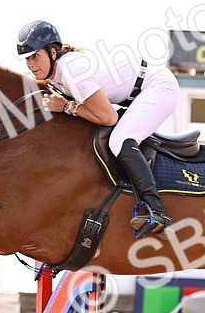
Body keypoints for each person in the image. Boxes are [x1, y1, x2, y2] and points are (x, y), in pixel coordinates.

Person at [17, 19, 181, 237]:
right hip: (136, 92)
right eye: (27, 59)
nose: (30, 64)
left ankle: (157, 211)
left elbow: (108, 117)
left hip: (158, 87)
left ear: (53, 52)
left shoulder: (72, 73)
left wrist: (67, 106)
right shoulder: (53, 74)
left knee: (120, 141)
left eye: (35, 56)